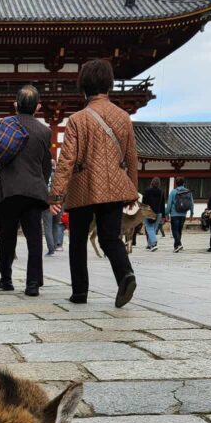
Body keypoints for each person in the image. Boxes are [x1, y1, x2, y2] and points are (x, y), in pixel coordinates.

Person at [50, 60, 138, 307]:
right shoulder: (123, 117)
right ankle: (125, 274)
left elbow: (67, 160)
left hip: (83, 186)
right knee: (110, 237)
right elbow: (132, 157)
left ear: (84, 86)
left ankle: (80, 292)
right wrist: (132, 189)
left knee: (78, 240)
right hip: (114, 187)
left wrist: (56, 195)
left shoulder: (77, 119)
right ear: (109, 84)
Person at [0, 84, 51, 296]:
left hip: (9, 190)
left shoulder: (4, 125)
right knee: (34, 238)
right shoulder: (45, 131)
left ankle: (6, 279)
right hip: (34, 190)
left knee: (7, 236)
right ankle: (32, 284)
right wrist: (43, 184)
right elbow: (45, 164)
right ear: (38, 106)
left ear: (15, 104)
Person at [166, 176, 195, 254]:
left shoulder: (173, 192)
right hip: (183, 214)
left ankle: (177, 245)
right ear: (183, 183)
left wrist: (167, 213)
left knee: (175, 230)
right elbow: (191, 203)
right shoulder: (188, 191)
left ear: (176, 183)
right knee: (179, 230)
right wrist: (191, 213)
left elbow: (169, 204)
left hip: (174, 214)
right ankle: (177, 245)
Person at [141, 176, 166, 252]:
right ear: (159, 184)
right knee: (153, 229)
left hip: (149, 212)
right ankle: (150, 245)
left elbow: (144, 203)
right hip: (158, 212)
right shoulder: (161, 192)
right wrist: (163, 216)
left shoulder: (147, 191)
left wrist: (142, 212)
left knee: (149, 228)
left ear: (151, 183)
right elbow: (162, 204)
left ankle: (154, 243)